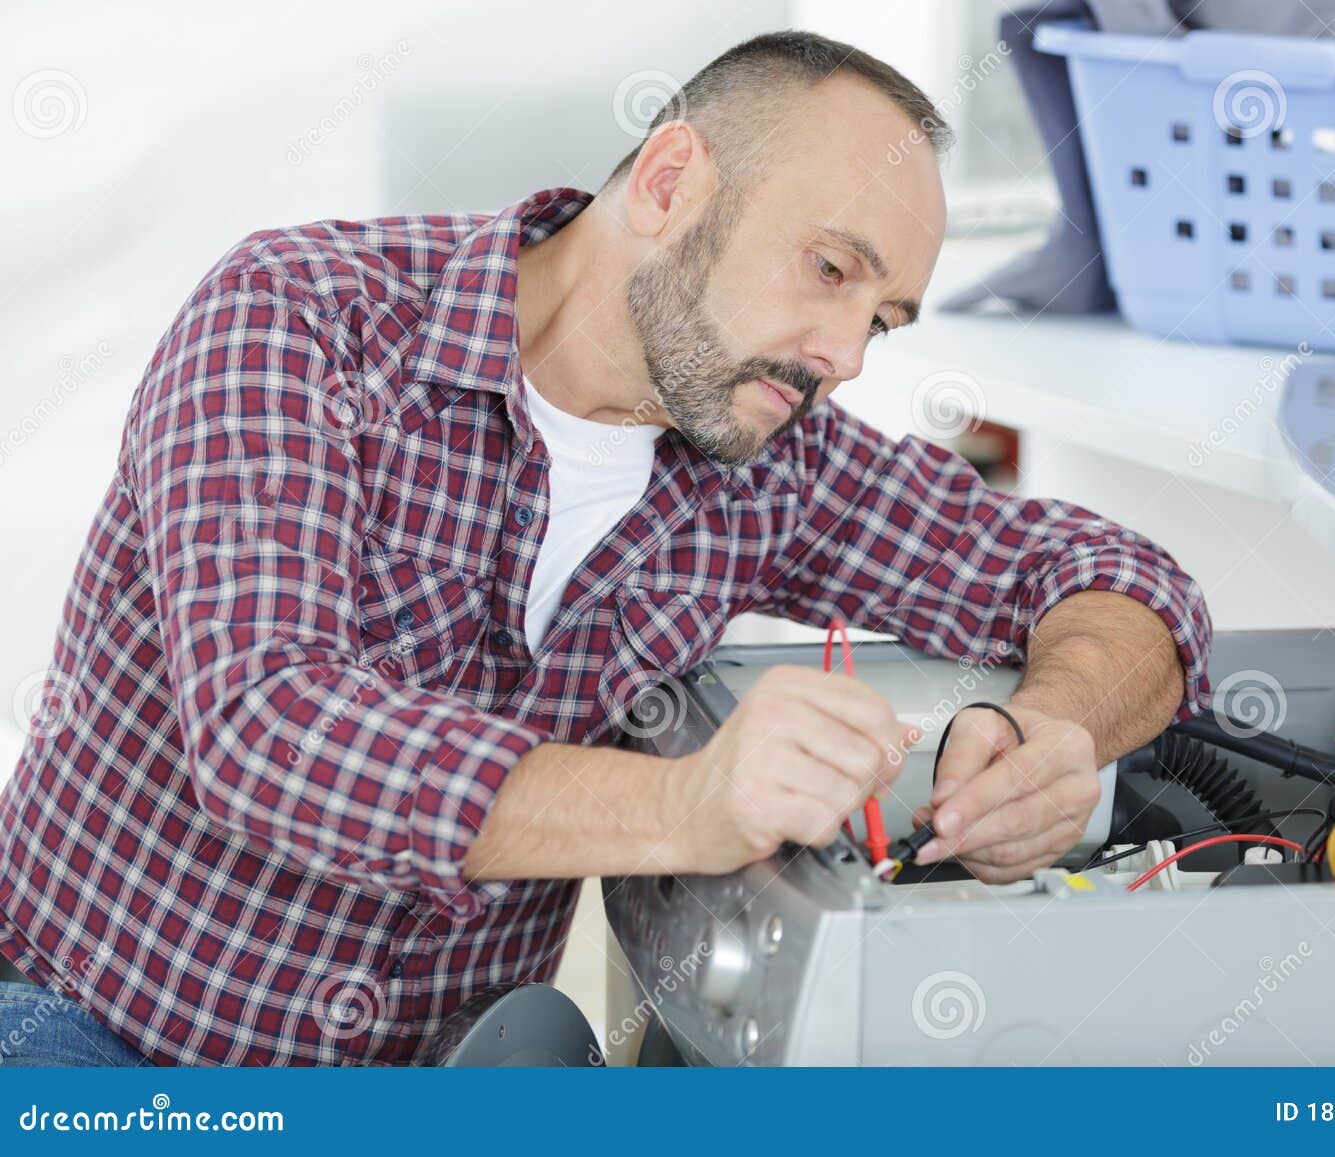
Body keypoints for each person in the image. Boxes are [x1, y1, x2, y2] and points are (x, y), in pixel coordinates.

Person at [0, 30, 1209, 1066]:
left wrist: (1062, 726)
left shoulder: (772, 451)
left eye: (879, 321)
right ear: (671, 181)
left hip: (465, 1066)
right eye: (830, 268)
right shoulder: (297, 319)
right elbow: (270, 730)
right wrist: (688, 800)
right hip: (97, 1030)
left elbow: (1121, 581)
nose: (843, 352)